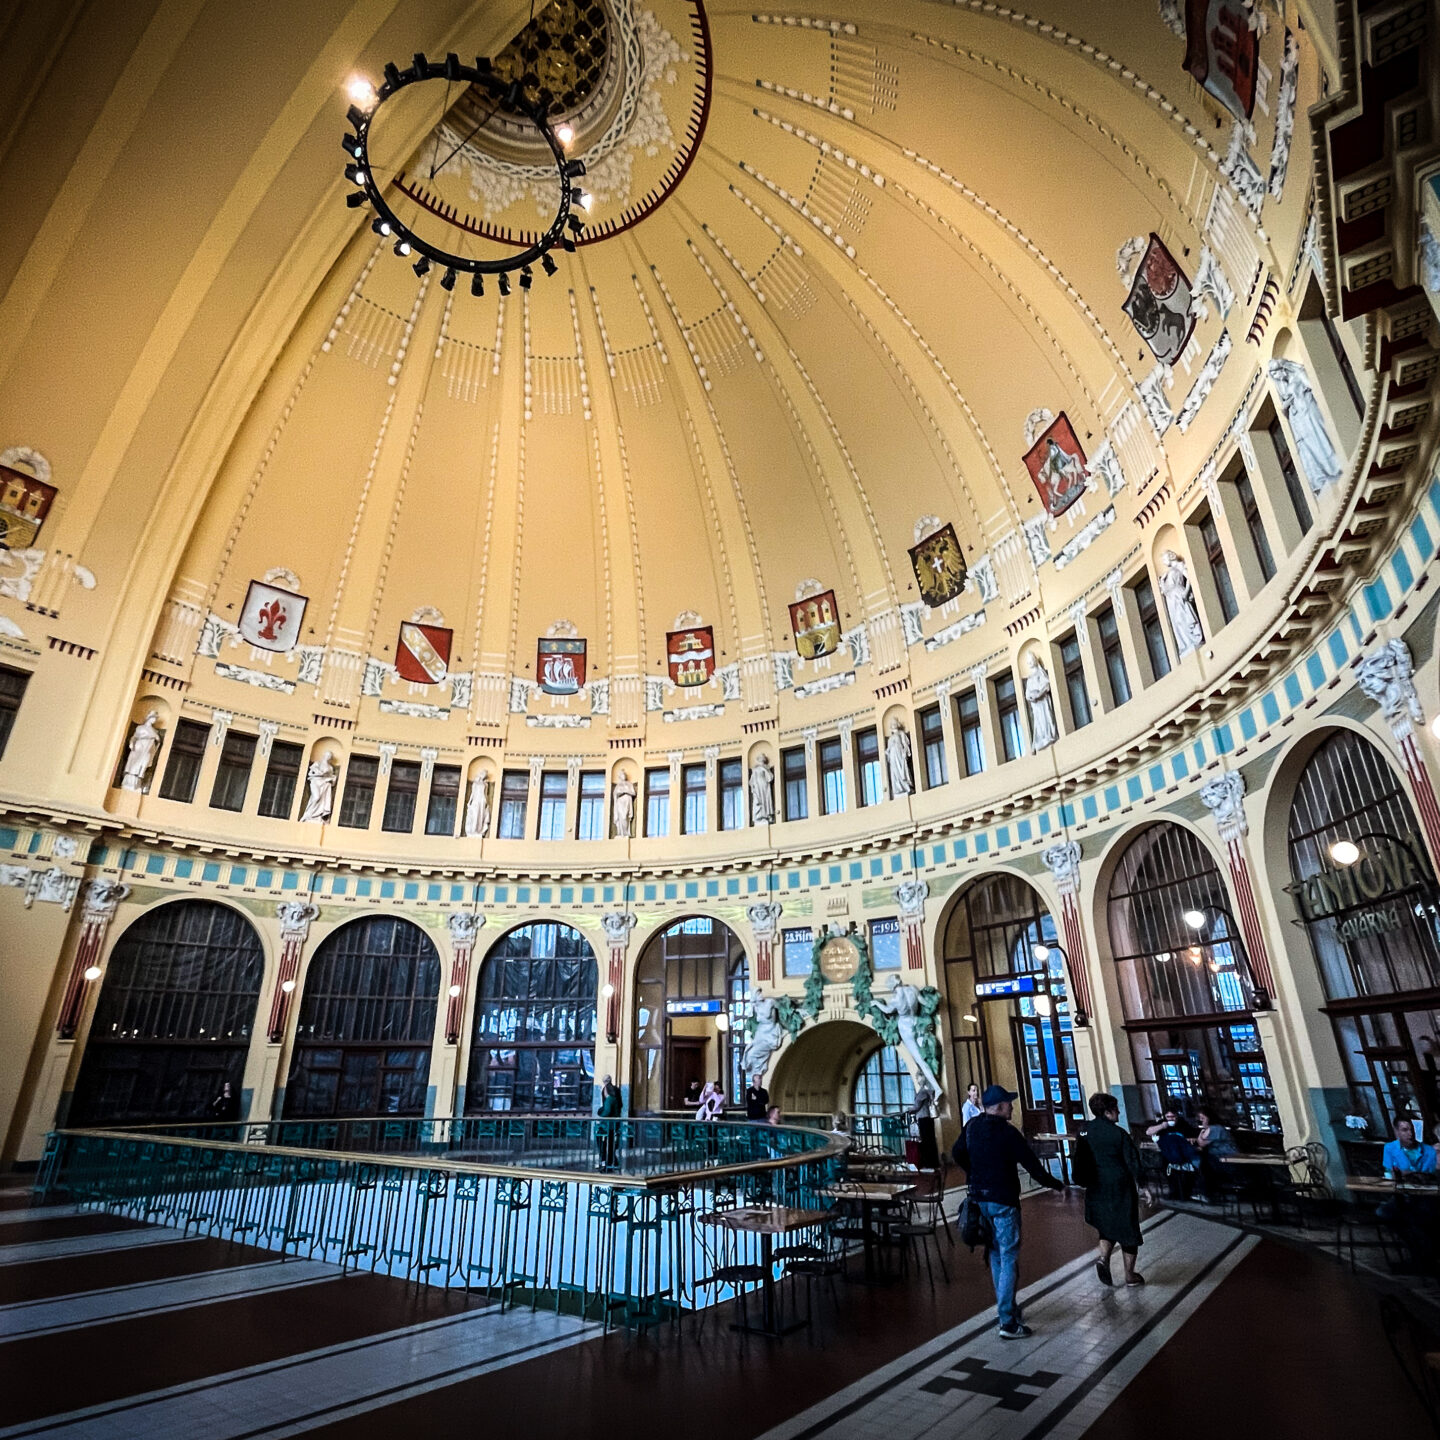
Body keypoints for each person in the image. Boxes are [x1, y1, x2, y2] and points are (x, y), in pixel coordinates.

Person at [951, 1084, 1064, 1339]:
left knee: (995, 1255)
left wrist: (974, 1171)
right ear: (999, 1107)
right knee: (1009, 1254)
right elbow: (1031, 1164)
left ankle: (1008, 1308)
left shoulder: (972, 1127)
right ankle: (1008, 1321)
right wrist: (1055, 1184)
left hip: (980, 1199)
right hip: (1004, 1200)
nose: (1012, 1107)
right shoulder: (1008, 1133)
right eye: (1009, 1103)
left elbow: (957, 1152)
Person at [1080, 1093, 1149, 1287]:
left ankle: (1103, 1259)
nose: (1119, 1111)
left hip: (1096, 1185)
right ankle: (1130, 1275)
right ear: (1107, 1111)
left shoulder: (1085, 1131)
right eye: (1115, 1108)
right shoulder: (1118, 1134)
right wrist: (1144, 1185)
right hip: (1120, 1185)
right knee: (1128, 1228)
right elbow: (1133, 1161)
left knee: (1106, 1224)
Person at [1193, 1105, 1237, 1202]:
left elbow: (1202, 1143)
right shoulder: (1213, 1128)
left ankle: (1206, 1193)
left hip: (1226, 1159)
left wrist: (1200, 1133)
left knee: (1204, 1165)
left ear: (1209, 1117)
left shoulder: (1215, 1129)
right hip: (1219, 1157)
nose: (1201, 1121)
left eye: (1203, 1118)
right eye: (1200, 1118)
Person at [910, 1083, 940, 1169]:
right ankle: (933, 1162)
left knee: (926, 1141)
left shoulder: (922, 1092)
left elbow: (917, 1106)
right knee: (930, 1140)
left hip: (924, 1118)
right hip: (928, 1118)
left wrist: (909, 1110)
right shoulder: (929, 1090)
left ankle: (928, 1163)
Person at [595, 1074, 622, 1171]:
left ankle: (606, 1162)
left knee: (604, 1143)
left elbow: (606, 1110)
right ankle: (612, 1161)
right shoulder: (617, 1091)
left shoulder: (609, 1098)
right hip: (615, 1122)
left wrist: (600, 1112)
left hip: (608, 1125)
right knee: (611, 1144)